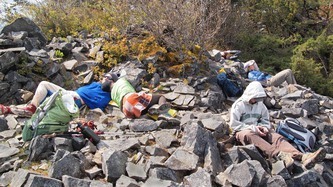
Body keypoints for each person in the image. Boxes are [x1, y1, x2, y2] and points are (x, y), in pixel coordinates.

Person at [229, 81, 326, 169]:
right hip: (242, 131)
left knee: (276, 137)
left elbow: (265, 120)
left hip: (259, 130)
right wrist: (253, 128)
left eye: (258, 98)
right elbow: (234, 124)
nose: (256, 100)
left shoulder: (261, 105)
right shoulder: (238, 105)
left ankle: (302, 156)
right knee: (249, 135)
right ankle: (279, 155)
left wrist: (264, 127)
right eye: (254, 97)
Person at [0, 73, 113, 117]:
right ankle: (13, 109)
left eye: (106, 78)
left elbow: (98, 105)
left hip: (75, 100)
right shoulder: (96, 85)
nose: (102, 79)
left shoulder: (107, 95)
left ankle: (15, 109)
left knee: (44, 87)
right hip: (70, 93)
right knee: (43, 88)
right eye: (103, 77)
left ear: (110, 81)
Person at [101, 74, 173, 120]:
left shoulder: (112, 95)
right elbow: (134, 83)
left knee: (142, 108)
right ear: (109, 79)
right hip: (131, 98)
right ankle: (163, 112)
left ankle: (150, 112)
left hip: (126, 110)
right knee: (160, 97)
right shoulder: (121, 80)